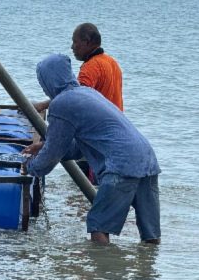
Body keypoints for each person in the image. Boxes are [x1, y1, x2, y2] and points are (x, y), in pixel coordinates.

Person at [22, 54, 161, 245]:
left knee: (98, 226)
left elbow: (52, 155)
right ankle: (149, 264)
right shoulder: (88, 93)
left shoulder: (61, 104)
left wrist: (29, 167)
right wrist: (43, 146)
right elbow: (81, 146)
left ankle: (103, 264)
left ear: (48, 81)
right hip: (147, 160)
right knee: (150, 232)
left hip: (121, 165)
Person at [33, 22, 123, 113]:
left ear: (86, 42)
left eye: (75, 42)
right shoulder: (112, 62)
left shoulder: (91, 66)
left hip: (100, 119)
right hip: (118, 118)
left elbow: (76, 97)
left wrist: (42, 105)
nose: (72, 47)